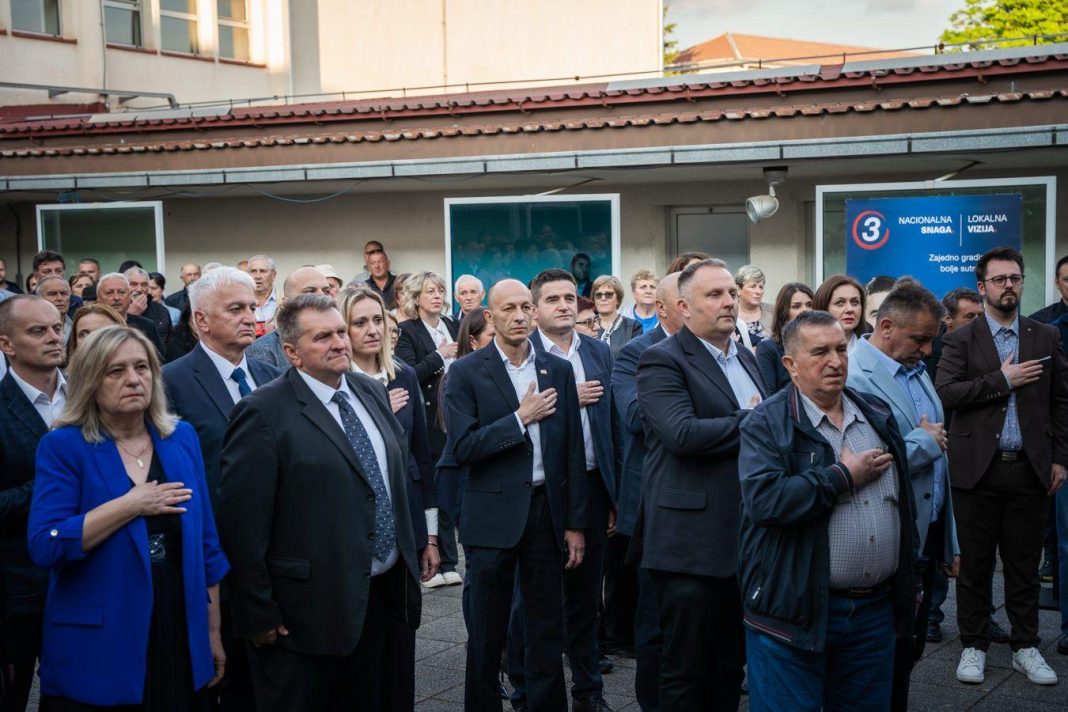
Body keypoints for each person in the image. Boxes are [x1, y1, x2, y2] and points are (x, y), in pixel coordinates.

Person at [218, 295, 422, 711]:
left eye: (341, 332)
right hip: (305, 615)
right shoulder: (262, 412)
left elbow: (388, 480)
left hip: (380, 596)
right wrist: (257, 610)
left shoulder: (370, 390)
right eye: (323, 337)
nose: (340, 343)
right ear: (291, 352)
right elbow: (242, 524)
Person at [28, 325, 228, 709]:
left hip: (177, 622)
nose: (134, 379)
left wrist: (212, 631)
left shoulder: (180, 437)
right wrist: (130, 505)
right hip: (104, 635)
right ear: (90, 382)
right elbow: (45, 544)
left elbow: (207, 545)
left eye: (142, 367)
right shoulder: (64, 446)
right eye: (116, 371)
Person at [738, 309, 918, 712]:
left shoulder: (875, 413)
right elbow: (766, 501)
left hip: (873, 612)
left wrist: (911, 580)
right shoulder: (766, 423)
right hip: (794, 611)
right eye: (820, 352)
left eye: (840, 349)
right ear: (790, 365)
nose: (835, 361)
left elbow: (903, 503)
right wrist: (842, 476)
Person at [443, 278, 587, 712]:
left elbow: (571, 451)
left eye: (526, 307)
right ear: (490, 316)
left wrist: (575, 523)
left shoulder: (557, 369)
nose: (520, 316)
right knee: (487, 633)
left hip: (545, 512)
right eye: (509, 308)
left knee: (546, 629)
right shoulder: (466, 371)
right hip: (491, 516)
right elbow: (463, 448)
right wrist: (519, 418)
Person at [635, 258, 766, 711]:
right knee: (685, 671)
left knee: (729, 667)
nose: (729, 301)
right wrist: (755, 420)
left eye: (731, 292)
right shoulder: (662, 359)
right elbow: (683, 434)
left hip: (745, 538)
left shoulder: (746, 356)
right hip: (689, 546)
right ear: (684, 308)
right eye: (715, 294)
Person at [935, 246, 1067, 687]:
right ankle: (973, 644)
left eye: (1014, 278)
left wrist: (1061, 458)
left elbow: (1061, 400)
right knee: (974, 565)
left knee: (1023, 564)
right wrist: (1001, 381)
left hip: (1030, 467)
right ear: (982, 287)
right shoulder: (960, 339)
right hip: (976, 468)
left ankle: (1025, 646)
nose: (1008, 285)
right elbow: (946, 393)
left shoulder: (1044, 336)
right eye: (999, 279)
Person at [160, 267, 278, 712]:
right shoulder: (169, 382)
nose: (249, 317)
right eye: (235, 309)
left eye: (252, 307)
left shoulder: (272, 376)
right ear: (201, 320)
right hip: (212, 563)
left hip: (274, 558)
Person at [507, 268, 618, 712]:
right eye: (553, 299)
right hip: (542, 492)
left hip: (592, 483)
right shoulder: (522, 353)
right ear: (534, 309)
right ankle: (525, 690)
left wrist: (613, 493)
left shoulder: (597, 350)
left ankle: (589, 692)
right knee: (532, 602)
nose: (564, 305)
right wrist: (569, 394)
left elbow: (612, 425)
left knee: (587, 598)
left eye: (570, 297)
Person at [845, 284, 959, 711]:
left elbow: (940, 463)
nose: (928, 350)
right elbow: (863, 461)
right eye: (920, 340)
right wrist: (924, 443)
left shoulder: (915, 369)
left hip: (925, 534)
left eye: (931, 340)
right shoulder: (854, 375)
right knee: (884, 657)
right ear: (887, 326)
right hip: (887, 540)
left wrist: (948, 537)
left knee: (909, 650)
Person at [340, 285, 440, 712]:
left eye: (377, 320)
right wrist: (379, 408)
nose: (371, 329)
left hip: (404, 521)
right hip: (355, 531)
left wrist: (430, 536)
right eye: (359, 322)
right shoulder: (336, 382)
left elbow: (422, 456)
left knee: (401, 646)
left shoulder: (404, 375)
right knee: (359, 657)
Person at [610, 271, 684, 712]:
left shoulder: (732, 353)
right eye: (689, 300)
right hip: (655, 507)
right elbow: (637, 418)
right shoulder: (636, 353)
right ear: (664, 308)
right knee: (655, 621)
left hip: (717, 510)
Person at [0, 296, 67, 712]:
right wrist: (50, 486)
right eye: (38, 331)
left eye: (57, 327)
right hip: (20, 592)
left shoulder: (91, 395)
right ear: (6, 344)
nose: (53, 337)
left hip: (89, 578)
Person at [395, 271, 462, 587]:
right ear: (416, 297)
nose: (437, 296)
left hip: (456, 413)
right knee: (435, 486)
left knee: (453, 487)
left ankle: (451, 559)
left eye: (439, 290)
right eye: (429, 291)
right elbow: (408, 372)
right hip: (428, 417)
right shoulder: (407, 330)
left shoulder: (452, 325)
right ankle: (438, 560)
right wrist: (439, 355)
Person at [244, 266, 334, 369]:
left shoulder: (338, 342)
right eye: (310, 291)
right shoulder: (262, 351)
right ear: (286, 302)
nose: (322, 296)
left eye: (326, 291)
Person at [755, 282, 814, 394]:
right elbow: (768, 395)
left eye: (809, 305)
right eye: (796, 306)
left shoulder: (823, 345)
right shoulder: (768, 349)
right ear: (784, 312)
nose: (805, 310)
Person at [95, 273, 166, 355]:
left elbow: (159, 359)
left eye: (122, 292)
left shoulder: (147, 326)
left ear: (129, 296)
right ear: (98, 298)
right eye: (109, 293)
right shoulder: (92, 326)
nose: (116, 297)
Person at [814, 274, 867, 354]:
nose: (849, 309)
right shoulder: (808, 349)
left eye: (854, 302)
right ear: (824, 307)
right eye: (840, 303)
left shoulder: (872, 348)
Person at [593, 275, 642, 357]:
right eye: (598, 295)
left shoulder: (633, 327)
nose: (603, 298)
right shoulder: (587, 325)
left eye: (609, 294)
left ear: (618, 299)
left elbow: (635, 358)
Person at [125, 267, 174, 344]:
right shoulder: (117, 308)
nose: (139, 289)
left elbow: (169, 342)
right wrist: (130, 315)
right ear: (124, 286)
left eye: (144, 285)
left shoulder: (161, 311)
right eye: (133, 284)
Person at [735, 265, 774, 344]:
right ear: (738, 289)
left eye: (761, 287)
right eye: (753, 286)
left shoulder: (773, 312)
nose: (758, 291)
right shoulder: (728, 313)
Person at [247, 255, 279, 337]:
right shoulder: (240, 301)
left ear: (273, 275)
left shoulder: (283, 301)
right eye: (253, 271)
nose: (257, 276)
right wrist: (259, 330)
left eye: (262, 271)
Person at [35, 275, 73, 342]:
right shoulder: (33, 328)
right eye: (52, 294)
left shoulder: (76, 326)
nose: (60, 298)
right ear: (40, 298)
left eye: (64, 293)